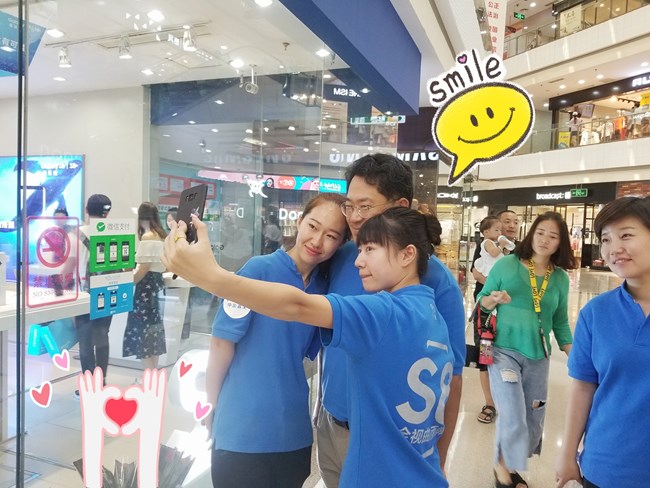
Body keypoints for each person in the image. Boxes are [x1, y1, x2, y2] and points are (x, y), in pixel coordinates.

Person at [163, 206, 454, 488]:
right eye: (359, 249)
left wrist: (209, 275)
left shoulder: (383, 313)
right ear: (300, 222)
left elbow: (297, 306)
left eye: (370, 249)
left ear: (407, 255)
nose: (358, 261)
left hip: (376, 475)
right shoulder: (433, 317)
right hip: (422, 471)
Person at [318, 154, 465, 486]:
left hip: (391, 446)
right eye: (349, 206)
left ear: (400, 207)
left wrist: (438, 458)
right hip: (333, 426)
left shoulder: (435, 281)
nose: (355, 217)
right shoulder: (343, 256)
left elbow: (452, 377)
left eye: (365, 207)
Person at [202, 193, 348, 488]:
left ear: (341, 244)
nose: (317, 241)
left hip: (292, 433)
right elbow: (221, 344)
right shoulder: (258, 270)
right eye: (313, 226)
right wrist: (212, 407)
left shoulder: (322, 290)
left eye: (331, 236)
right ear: (299, 221)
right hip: (241, 428)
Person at [556, 196, 650, 488]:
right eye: (606, 239)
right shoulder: (596, 313)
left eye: (626, 235)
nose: (614, 248)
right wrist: (567, 454)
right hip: (607, 467)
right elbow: (584, 386)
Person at [477, 211, 576, 488]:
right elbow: (482, 301)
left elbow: (560, 322)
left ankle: (508, 466)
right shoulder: (506, 265)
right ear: (531, 234)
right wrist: (493, 299)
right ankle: (502, 470)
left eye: (553, 236)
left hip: (539, 356)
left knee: (534, 415)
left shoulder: (560, 278)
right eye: (540, 233)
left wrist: (576, 356)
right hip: (503, 352)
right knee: (512, 412)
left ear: (560, 243)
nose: (544, 240)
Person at [472, 209, 520, 424]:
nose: (511, 225)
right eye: (506, 222)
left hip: (513, 313)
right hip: (487, 313)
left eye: (515, 222)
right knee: (485, 355)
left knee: (513, 356)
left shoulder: (521, 249)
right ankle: (490, 403)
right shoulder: (487, 245)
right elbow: (476, 273)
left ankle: (511, 402)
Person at [74, 194, 113, 398]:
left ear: (87, 210)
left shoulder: (78, 234)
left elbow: (69, 265)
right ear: (107, 212)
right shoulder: (113, 232)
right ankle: (102, 380)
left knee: (85, 339)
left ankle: (90, 385)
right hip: (107, 290)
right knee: (102, 335)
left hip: (85, 293)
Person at [123, 202, 167, 372]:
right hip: (155, 286)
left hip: (145, 289)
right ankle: (153, 376)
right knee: (153, 333)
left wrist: (130, 281)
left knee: (143, 332)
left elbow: (144, 267)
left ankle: (149, 377)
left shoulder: (148, 237)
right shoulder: (161, 235)